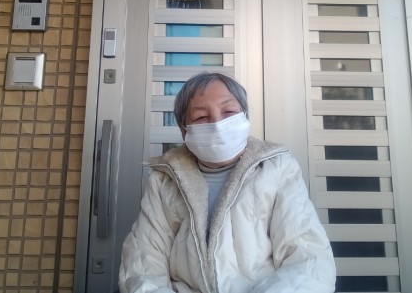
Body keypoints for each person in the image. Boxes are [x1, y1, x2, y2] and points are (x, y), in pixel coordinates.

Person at [119, 72, 336, 293]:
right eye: (201, 117)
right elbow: (144, 263)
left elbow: (308, 259)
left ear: (245, 117)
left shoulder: (278, 169)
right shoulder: (164, 180)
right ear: (184, 130)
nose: (217, 124)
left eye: (229, 112)